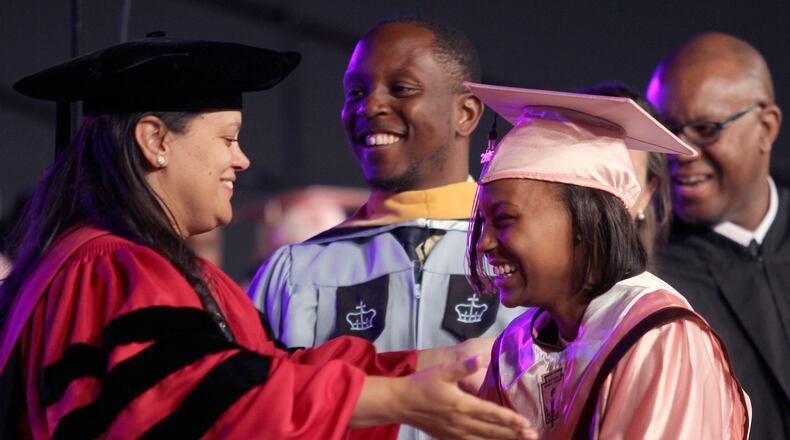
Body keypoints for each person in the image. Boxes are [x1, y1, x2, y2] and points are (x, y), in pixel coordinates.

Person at [0, 36, 538, 440]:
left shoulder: (133, 265)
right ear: (154, 140)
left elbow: (268, 370)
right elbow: (197, 394)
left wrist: (428, 365)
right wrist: (399, 397)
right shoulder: (112, 269)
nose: (242, 159)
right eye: (228, 138)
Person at [464, 82, 750, 438]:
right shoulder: (516, 347)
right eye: (484, 223)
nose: (484, 243)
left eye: (505, 219)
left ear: (590, 219)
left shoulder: (659, 338)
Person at [249, 18, 523, 366]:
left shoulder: (521, 254)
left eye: (401, 88)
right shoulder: (295, 272)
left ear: (465, 113)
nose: (369, 106)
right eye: (356, 93)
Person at [646, 32, 788, 439]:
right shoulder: (647, 268)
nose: (681, 152)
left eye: (706, 129)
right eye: (667, 131)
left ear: (766, 127)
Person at [577, 82, 672, 268]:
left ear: (648, 193)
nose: (599, 193)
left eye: (623, 176)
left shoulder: (655, 295)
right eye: (588, 170)